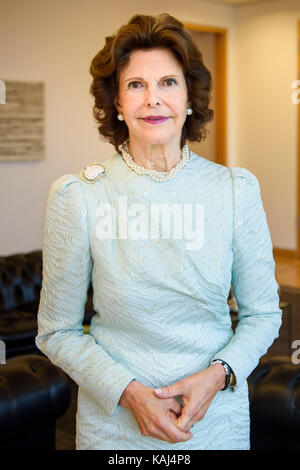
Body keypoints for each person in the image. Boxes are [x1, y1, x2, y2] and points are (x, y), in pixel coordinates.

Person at [36, 13, 282, 450]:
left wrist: (218, 375)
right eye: (136, 85)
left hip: (214, 418)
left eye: (168, 82)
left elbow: (263, 314)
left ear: (190, 97)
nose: (153, 99)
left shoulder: (233, 190)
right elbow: (58, 331)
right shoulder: (79, 196)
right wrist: (131, 394)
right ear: (116, 101)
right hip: (115, 422)